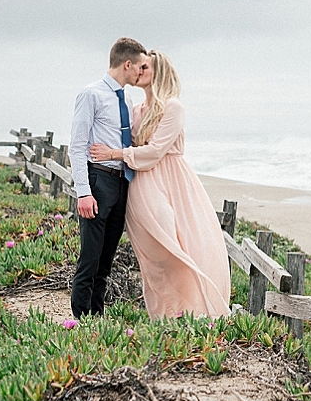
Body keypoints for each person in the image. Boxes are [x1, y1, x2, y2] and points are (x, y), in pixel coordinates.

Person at [90, 50, 231, 318]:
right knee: (155, 259)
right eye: (140, 67)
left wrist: (114, 154)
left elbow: (155, 151)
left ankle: (196, 312)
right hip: (142, 186)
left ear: (160, 73)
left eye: (146, 67)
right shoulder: (136, 109)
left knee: (181, 248)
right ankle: (164, 316)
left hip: (172, 184)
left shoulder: (173, 107)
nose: (139, 71)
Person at [67, 37, 147, 318]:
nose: (141, 72)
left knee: (106, 261)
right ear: (127, 64)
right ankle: (79, 321)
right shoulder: (91, 94)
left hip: (121, 183)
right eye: (139, 67)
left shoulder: (126, 98)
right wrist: (84, 192)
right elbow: (76, 146)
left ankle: (96, 319)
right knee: (89, 259)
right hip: (98, 180)